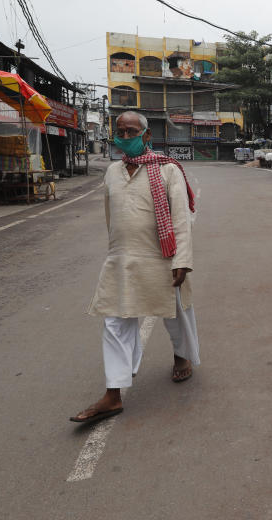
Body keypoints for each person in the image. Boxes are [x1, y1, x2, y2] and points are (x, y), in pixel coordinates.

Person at [71, 111, 199, 424]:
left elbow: (181, 218)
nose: (125, 138)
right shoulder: (112, 172)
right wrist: (115, 250)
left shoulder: (168, 170)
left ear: (146, 136)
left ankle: (181, 355)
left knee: (175, 312)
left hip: (162, 256)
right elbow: (110, 216)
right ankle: (113, 394)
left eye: (131, 132)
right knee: (114, 322)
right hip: (122, 257)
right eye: (120, 132)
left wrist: (181, 260)